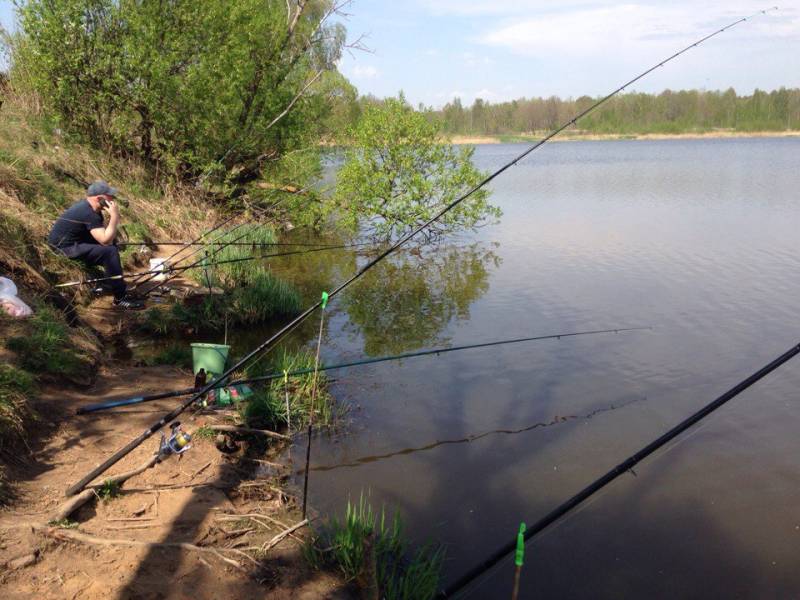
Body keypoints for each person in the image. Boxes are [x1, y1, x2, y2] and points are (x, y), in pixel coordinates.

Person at [48, 181, 144, 310]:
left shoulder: (91, 208)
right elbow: (105, 240)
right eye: (110, 197)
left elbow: (104, 236)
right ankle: (120, 298)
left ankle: (112, 282)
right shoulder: (88, 213)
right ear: (100, 198)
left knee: (112, 246)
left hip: (73, 243)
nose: (113, 199)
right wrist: (115, 216)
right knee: (109, 251)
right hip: (63, 249)